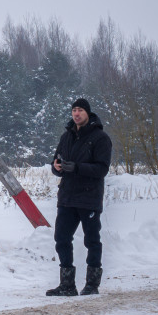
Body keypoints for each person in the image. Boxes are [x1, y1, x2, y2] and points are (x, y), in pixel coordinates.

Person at [46, 98, 112, 297]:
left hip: (89, 197)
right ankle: (67, 285)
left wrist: (77, 167)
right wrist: (56, 167)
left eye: (80, 110)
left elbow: (102, 169)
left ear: (88, 113)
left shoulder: (100, 138)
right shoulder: (66, 136)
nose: (76, 114)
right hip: (67, 197)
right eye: (74, 110)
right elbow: (56, 161)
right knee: (61, 238)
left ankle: (92, 284)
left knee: (92, 240)